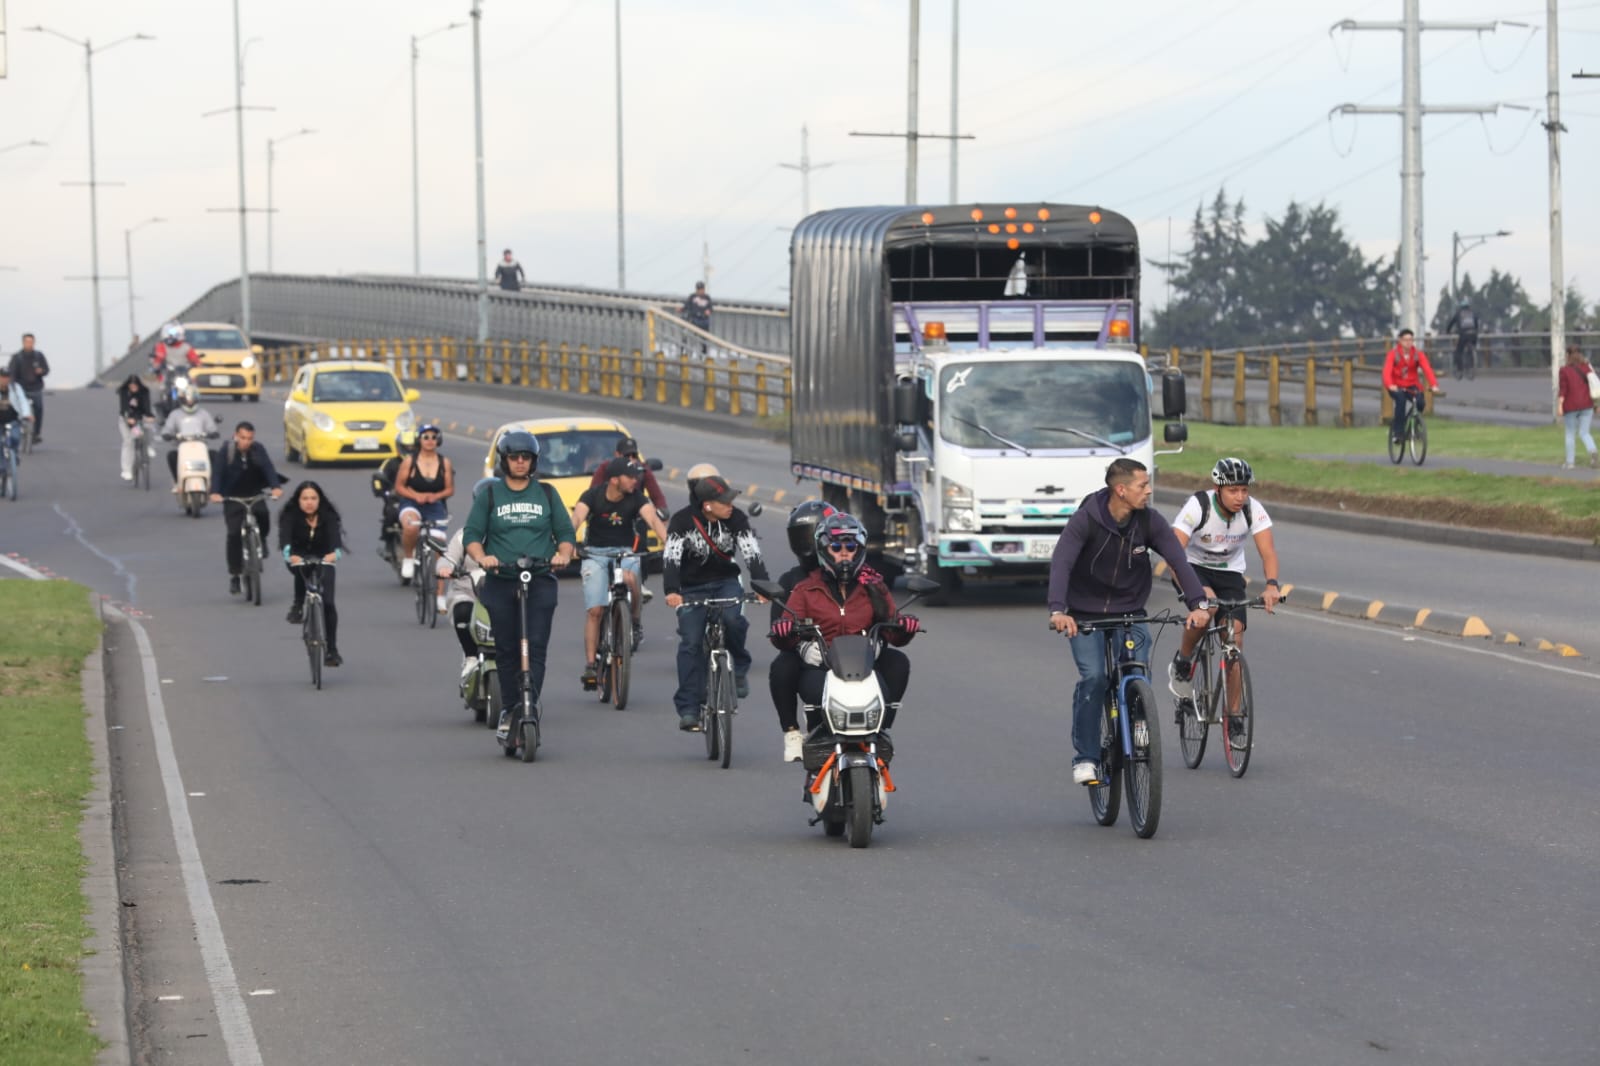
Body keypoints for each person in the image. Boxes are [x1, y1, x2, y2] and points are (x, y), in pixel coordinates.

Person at [1047, 458, 1211, 786]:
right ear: (1121, 490)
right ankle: (1086, 758)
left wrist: (1198, 603)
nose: (1148, 491)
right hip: (1084, 613)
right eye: (1142, 485)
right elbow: (1062, 562)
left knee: (1137, 672)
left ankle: (1139, 728)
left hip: (1130, 610)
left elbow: (1177, 560)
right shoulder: (1086, 520)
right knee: (1094, 678)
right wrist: (1058, 610)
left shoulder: (1149, 521)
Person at [767, 513, 918, 763]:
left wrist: (905, 627)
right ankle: (793, 733)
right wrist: (785, 632)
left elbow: (894, 633)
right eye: (836, 547)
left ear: (860, 550)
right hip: (821, 665)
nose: (844, 553)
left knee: (898, 661)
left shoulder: (874, 586)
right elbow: (783, 637)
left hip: (864, 665)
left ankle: (881, 729)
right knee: (782, 665)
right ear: (824, 551)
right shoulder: (805, 589)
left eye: (851, 547)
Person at [462, 430, 577, 741]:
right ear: (505, 461)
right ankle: (510, 708)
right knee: (507, 648)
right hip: (501, 580)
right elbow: (472, 535)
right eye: (514, 457)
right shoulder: (490, 495)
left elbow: (565, 534)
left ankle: (529, 705)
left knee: (535, 646)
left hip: (539, 579)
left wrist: (563, 555)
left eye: (526, 457)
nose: (520, 462)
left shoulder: (547, 493)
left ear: (534, 461)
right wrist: (483, 557)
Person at [1167, 458, 1282, 743]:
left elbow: (1268, 552)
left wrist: (1271, 585)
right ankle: (1183, 661)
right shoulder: (1198, 506)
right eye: (1233, 490)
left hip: (1229, 572)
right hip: (1192, 567)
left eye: (1244, 490)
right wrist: (1196, 592)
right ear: (1217, 489)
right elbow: (1174, 552)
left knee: (1235, 639)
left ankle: (1234, 714)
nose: (1240, 497)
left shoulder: (1252, 509)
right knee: (1208, 608)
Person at [663, 474, 769, 731]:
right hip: (692, 589)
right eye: (725, 501)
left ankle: (739, 668)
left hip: (725, 582)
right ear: (708, 505)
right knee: (690, 643)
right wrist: (672, 591)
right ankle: (689, 709)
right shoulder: (681, 521)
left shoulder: (737, 518)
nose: (730, 505)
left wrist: (762, 586)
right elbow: (671, 558)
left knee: (734, 620)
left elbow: (751, 553)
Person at [572, 457, 669, 687]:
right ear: (615, 480)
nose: (636, 480)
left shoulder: (636, 498)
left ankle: (633, 622)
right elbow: (575, 519)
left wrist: (670, 544)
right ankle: (590, 665)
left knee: (630, 578)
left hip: (625, 552)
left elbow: (653, 520)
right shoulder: (592, 496)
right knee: (595, 610)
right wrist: (567, 546)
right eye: (630, 477)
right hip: (595, 554)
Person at [767, 500, 838, 760]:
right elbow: (777, 628)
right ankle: (792, 732)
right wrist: (802, 645)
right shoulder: (791, 580)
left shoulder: (854, 575)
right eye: (801, 537)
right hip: (810, 656)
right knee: (782, 665)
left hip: (850, 653)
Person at [209, 421, 286, 594]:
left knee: (263, 515)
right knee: (234, 534)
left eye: (250, 438)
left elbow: (268, 467)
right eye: (243, 438)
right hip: (232, 496)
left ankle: (261, 540)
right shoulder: (226, 451)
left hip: (253, 493)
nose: (246, 442)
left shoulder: (258, 449)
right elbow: (218, 473)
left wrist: (275, 487)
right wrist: (215, 493)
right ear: (236, 436)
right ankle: (235, 575)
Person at [280, 481, 345, 667]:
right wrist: (289, 555)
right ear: (298, 500)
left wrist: (335, 554)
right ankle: (298, 605)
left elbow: (336, 540)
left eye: (313, 498)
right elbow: (285, 540)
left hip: (324, 558)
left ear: (319, 500)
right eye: (305, 498)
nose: (309, 502)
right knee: (302, 569)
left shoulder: (328, 515)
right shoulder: (290, 516)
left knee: (329, 603)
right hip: (298, 558)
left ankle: (332, 650)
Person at [436, 482, 494, 677]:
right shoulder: (464, 535)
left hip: (503, 592)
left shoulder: (514, 535)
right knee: (462, 612)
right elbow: (448, 557)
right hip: (468, 592)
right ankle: (470, 657)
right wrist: (445, 568)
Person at [393, 423, 454, 579]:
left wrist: (435, 496)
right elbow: (399, 487)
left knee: (439, 544)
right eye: (425, 437)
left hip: (434, 506)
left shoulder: (444, 462)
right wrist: (416, 496)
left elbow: (449, 489)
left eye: (434, 437)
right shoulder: (409, 462)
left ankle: (438, 589)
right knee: (410, 527)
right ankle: (408, 558)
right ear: (419, 440)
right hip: (411, 503)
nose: (430, 440)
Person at [1381, 328, 1439, 446]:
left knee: (1420, 402)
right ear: (1400, 341)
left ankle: (1414, 424)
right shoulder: (1393, 354)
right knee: (1401, 400)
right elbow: (1386, 371)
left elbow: (1427, 369)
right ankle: (1398, 433)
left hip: (1412, 385)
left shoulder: (1417, 354)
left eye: (1411, 340)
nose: (1408, 342)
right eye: (1405, 340)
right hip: (1396, 386)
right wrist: (1390, 385)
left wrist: (1434, 385)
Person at [588, 436, 668, 512]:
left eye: (634, 456)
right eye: (626, 456)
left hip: (634, 515)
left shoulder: (643, 471)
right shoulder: (606, 468)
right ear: (617, 455)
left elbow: (657, 497)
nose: (630, 459)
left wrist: (662, 512)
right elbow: (593, 494)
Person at [159, 385, 221, 483]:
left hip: (201, 447)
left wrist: (213, 433)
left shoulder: (204, 414)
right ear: (182, 400)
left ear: (196, 399)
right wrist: (168, 435)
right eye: (187, 400)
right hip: (182, 446)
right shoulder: (175, 414)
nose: (189, 402)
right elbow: (168, 428)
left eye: (192, 399)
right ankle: (177, 481)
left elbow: (211, 428)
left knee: (215, 455)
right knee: (171, 456)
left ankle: (212, 482)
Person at [373, 429, 419, 558]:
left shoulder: (426, 462)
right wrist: (383, 492)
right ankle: (388, 545)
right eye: (407, 447)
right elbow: (378, 478)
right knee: (391, 515)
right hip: (396, 500)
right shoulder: (390, 463)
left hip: (420, 500)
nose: (410, 450)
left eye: (413, 447)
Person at [1557, 344, 1599, 470]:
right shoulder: (1587, 367)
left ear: (1567, 355)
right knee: (1584, 432)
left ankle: (1570, 463)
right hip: (1587, 405)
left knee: (1570, 433)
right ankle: (1593, 451)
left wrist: (1560, 405)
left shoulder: (1564, 370)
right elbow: (1594, 386)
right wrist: (1596, 404)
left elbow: (1563, 390)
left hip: (1571, 406)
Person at [7, 333, 48, 444]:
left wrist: (41, 371)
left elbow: (46, 369)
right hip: (21, 389)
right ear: (23, 342)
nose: (29, 344)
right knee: (16, 410)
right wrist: (13, 387)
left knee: (38, 409)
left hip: (36, 388)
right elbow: (11, 373)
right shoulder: (17, 357)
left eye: (31, 342)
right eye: (27, 342)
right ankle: (17, 431)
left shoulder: (39, 356)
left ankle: (36, 433)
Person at [116, 374, 156, 480]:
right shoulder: (124, 392)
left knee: (149, 427)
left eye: (135, 385)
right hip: (126, 420)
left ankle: (148, 446)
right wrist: (129, 418)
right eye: (131, 385)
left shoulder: (144, 391)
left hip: (139, 418)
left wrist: (149, 416)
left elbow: (147, 406)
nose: (133, 387)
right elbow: (124, 407)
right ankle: (126, 470)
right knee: (128, 442)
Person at [0, 366, 34, 472]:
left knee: (15, 438)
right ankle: (2, 464)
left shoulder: (15, 388)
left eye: (7, 377)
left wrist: (27, 414)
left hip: (13, 419)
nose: (5, 379)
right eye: (2, 377)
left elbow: (23, 401)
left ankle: (14, 454)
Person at [1444, 300, 1480, 380]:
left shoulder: (1458, 313)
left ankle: (1460, 369)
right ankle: (1471, 362)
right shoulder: (1472, 313)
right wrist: (1476, 331)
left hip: (1464, 335)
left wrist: (1448, 331)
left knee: (1458, 351)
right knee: (1472, 347)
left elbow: (1451, 323)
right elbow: (1476, 323)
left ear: (1461, 307)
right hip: (1474, 334)